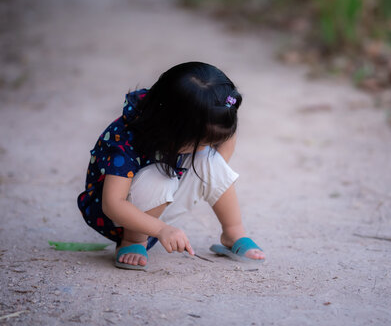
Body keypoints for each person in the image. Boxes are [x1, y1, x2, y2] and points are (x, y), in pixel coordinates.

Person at [77, 61, 265, 270]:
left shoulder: (206, 118)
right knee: (159, 176)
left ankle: (233, 233)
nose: (205, 148)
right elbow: (112, 204)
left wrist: (210, 175)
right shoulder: (125, 140)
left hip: (167, 193)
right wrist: (160, 229)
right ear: (170, 127)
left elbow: (218, 156)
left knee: (211, 161)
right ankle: (133, 241)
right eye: (200, 142)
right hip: (122, 215)